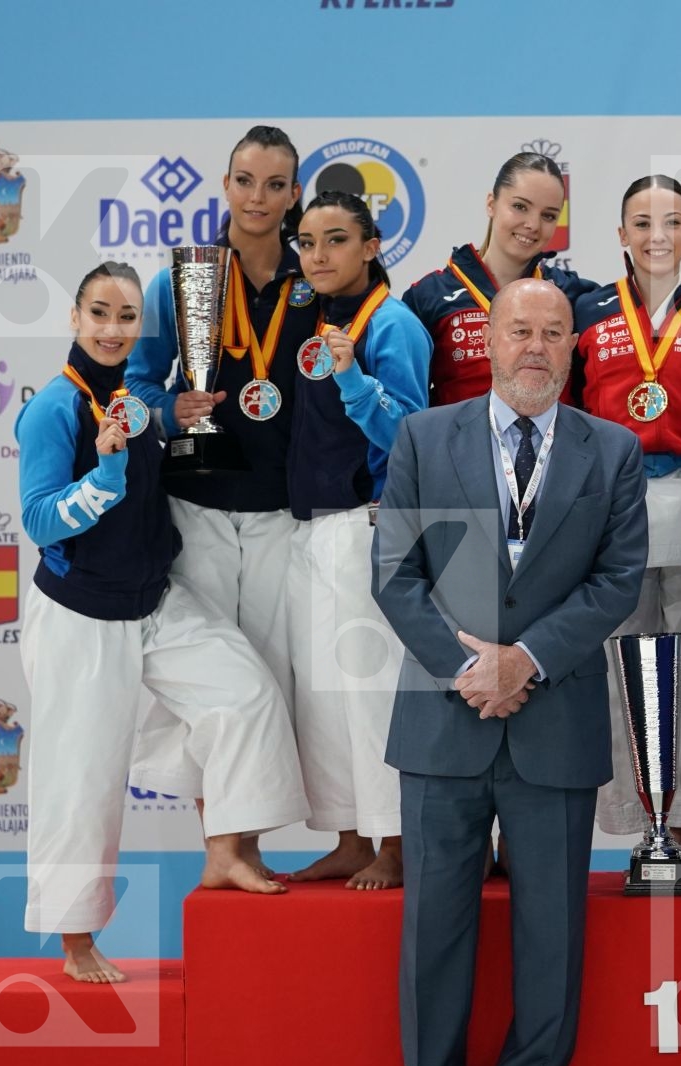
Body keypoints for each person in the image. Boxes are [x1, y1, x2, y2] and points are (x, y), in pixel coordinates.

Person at [375, 278, 648, 1066]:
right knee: (435, 924)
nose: (535, 345)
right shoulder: (422, 437)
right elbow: (395, 573)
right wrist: (468, 667)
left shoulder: (614, 452)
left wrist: (522, 660)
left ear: (574, 347)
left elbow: (617, 581)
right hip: (445, 720)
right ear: (486, 341)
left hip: (552, 714)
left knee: (551, 927)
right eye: (518, 330)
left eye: (553, 332)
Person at [16, 262, 308, 983]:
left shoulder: (137, 400)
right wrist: (107, 474)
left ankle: (227, 849)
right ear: (75, 320)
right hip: (80, 614)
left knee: (247, 694)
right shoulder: (55, 407)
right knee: (80, 777)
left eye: (125, 318)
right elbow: (38, 518)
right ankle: (76, 940)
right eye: (100, 315)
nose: (114, 330)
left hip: (153, 597)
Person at [126, 125, 316, 884]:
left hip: (279, 508)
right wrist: (173, 407)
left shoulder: (317, 277)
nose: (258, 198)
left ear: (295, 193)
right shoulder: (184, 278)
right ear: (225, 184)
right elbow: (134, 385)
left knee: (262, 678)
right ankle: (220, 850)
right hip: (197, 498)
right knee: (214, 684)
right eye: (245, 180)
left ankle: (247, 845)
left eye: (275, 185)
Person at [573, 174, 681, 859]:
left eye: (672, 222)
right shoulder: (588, 313)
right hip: (614, 510)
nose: (656, 236)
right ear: (620, 236)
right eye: (641, 222)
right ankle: (643, 825)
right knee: (620, 670)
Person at [285, 192, 431, 889]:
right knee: (324, 692)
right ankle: (350, 832)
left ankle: (396, 840)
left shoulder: (392, 324)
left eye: (336, 240)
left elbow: (409, 435)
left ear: (372, 247)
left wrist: (350, 377)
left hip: (367, 520)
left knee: (371, 689)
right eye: (307, 242)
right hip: (310, 524)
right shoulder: (309, 319)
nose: (318, 255)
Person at [404, 152, 681, 408]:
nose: (532, 225)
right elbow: (410, 401)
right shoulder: (429, 297)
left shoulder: (571, 295)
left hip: (552, 476)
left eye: (548, 215)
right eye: (520, 206)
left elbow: (642, 307)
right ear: (492, 203)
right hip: (461, 471)